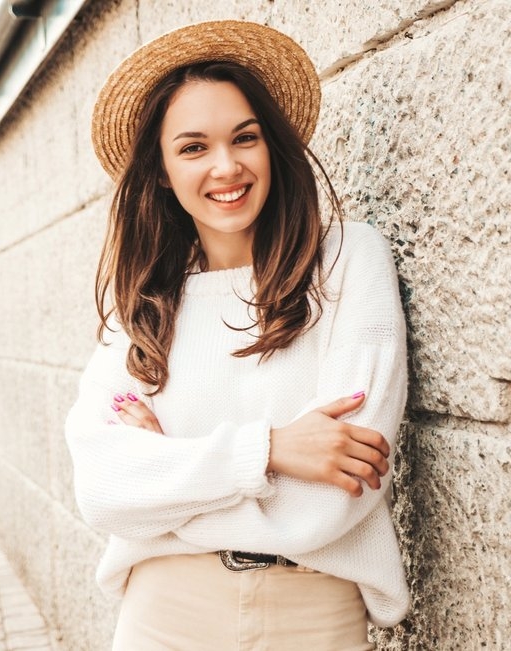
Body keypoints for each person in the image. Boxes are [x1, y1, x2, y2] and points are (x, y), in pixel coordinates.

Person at [65, 20, 409, 650]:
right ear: (163, 171)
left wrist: (169, 472)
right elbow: (104, 489)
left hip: (313, 612)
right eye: (193, 147)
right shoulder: (143, 307)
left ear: (270, 145)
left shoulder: (349, 262)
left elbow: (336, 497)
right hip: (164, 613)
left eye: (244, 138)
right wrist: (271, 449)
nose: (226, 166)